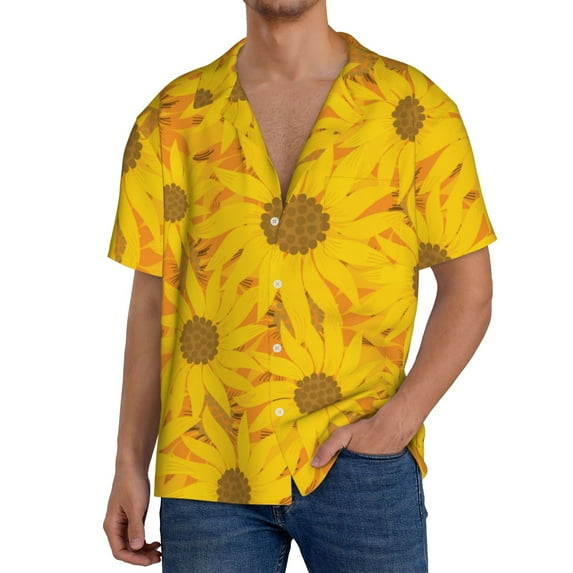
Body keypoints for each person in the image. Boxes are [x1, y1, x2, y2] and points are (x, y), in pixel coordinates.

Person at [103, 1, 496, 571]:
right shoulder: (171, 118)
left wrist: (396, 424)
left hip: (363, 464)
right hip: (207, 468)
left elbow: (469, 290)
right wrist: (128, 461)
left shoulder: (415, 109)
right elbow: (151, 303)